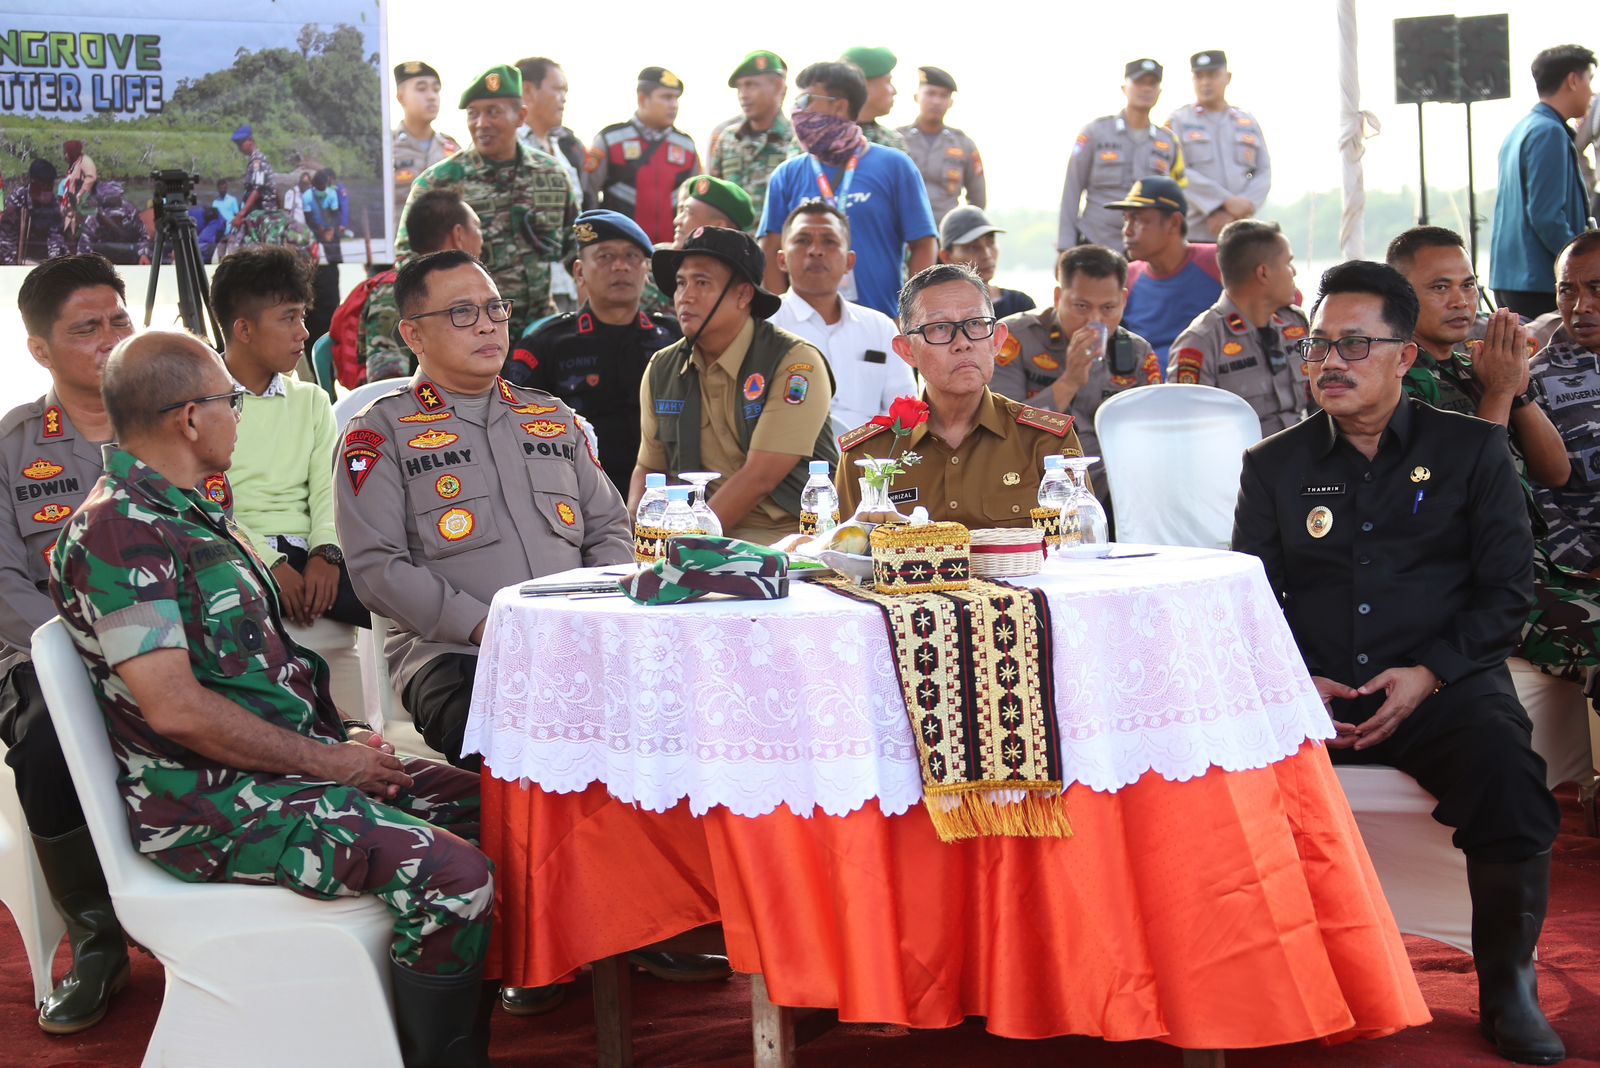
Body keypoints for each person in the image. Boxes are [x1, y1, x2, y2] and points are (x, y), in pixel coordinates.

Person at [51, 330, 496, 1067]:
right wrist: (332, 764)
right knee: (454, 876)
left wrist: (346, 739)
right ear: (188, 418)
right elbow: (177, 709)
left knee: (501, 810)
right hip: (208, 808)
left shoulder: (193, 510)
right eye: (231, 401)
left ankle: (406, 1022)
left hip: (282, 773)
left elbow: (261, 675)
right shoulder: (118, 532)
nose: (241, 415)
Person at [1232, 259, 1566, 1066]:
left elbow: (1505, 593)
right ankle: (1261, 979)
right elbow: (1249, 600)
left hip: (1441, 683)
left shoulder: (1473, 452)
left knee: (1507, 772)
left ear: (1404, 356)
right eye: (1317, 346)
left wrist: (1431, 674)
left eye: (1353, 344)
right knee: (1211, 773)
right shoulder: (1273, 465)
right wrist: (1292, 682)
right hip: (1311, 688)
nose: (1330, 363)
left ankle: (1506, 985)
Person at [336, 249, 634, 768]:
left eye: (495, 309)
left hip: (582, 642)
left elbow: (609, 526)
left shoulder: (550, 415)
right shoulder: (378, 431)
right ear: (413, 335)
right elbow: (376, 568)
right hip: (461, 658)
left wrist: (591, 613)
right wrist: (488, 626)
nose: (487, 326)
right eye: (461, 313)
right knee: (535, 747)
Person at [1, 256, 135, 1035]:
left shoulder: (175, 417)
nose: (110, 340)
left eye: (119, 321)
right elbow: (4, 583)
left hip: (173, 647)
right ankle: (96, 938)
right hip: (40, 655)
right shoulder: (14, 445)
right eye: (87, 329)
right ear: (41, 349)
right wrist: (84, 654)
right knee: (48, 741)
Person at [631, 226, 838, 544]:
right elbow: (648, 470)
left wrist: (687, 544)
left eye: (702, 282)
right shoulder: (663, 368)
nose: (685, 296)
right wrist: (636, 540)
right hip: (698, 544)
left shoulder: (795, 363)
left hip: (790, 543)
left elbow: (760, 478)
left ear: (743, 295)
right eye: (681, 283)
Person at [838, 263, 1083, 526]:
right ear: (907, 350)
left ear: (997, 340)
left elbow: (1078, 550)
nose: (963, 343)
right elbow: (842, 556)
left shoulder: (1044, 442)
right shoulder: (867, 457)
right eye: (940, 328)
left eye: (976, 324)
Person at [210, 246, 369, 632]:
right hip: (235, 556)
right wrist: (270, 563)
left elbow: (328, 491)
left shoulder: (311, 400)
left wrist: (326, 554)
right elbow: (206, 503)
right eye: (288, 318)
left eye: (301, 315)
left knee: (395, 601)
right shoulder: (201, 403)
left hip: (311, 553)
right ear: (244, 329)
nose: (304, 331)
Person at [507, 210, 681, 495]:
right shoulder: (547, 345)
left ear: (645, 270)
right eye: (605, 257)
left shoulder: (673, 340)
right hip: (576, 495)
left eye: (632, 257)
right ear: (579, 272)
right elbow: (518, 433)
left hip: (663, 498)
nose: (621, 267)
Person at [397, 64, 577, 340]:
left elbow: (575, 251)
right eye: (473, 114)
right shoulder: (438, 182)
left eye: (493, 112)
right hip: (470, 335)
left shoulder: (551, 174)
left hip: (540, 334)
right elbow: (407, 263)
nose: (481, 124)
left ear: (521, 116)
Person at [1386, 226, 1572, 490]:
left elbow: (1556, 474)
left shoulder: (1477, 368)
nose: (1460, 301)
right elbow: (1467, 483)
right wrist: (1498, 391)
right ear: (1399, 297)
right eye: (1440, 287)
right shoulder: (1393, 381)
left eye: (1468, 285)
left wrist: (1518, 393)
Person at [758, 61, 938, 319]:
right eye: (796, 102)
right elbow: (770, 249)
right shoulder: (786, 176)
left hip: (883, 322)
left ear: (840, 105)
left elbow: (923, 244)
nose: (797, 111)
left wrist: (910, 316)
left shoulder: (895, 166)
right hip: (804, 330)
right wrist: (782, 317)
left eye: (806, 100)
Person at [991, 244, 1160, 508]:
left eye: (1108, 308)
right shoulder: (1015, 339)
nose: (1094, 320)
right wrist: (1068, 382)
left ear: (1123, 301)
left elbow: (1151, 437)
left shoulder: (1137, 353)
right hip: (1035, 481)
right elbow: (1003, 429)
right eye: (1081, 306)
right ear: (1058, 297)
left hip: (1114, 490)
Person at [768, 202, 914, 438]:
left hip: (870, 465)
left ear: (849, 262)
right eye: (803, 240)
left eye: (829, 241)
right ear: (782, 260)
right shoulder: (765, 326)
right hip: (788, 466)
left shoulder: (881, 328)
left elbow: (903, 414)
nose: (816, 250)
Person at [1169, 219, 1308, 435]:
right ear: (1264, 273)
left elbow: (1325, 406)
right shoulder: (1201, 342)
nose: (1294, 272)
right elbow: (1187, 430)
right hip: (1242, 464)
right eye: (1288, 263)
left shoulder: (1296, 324)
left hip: (1304, 455)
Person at [1489, 45, 1595, 318]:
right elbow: (1546, 215)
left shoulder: (1521, 129)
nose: (1591, 92)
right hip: (1539, 281)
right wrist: (1583, 267)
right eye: (1589, 80)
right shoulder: (1549, 132)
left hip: (1513, 278)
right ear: (1573, 80)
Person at [355, 189, 484, 384]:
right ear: (459, 235)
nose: (482, 239)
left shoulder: (464, 288)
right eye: (477, 227)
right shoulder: (394, 293)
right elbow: (386, 382)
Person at [1058, 59, 1186, 253]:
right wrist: (1065, 247)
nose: (1146, 89)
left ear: (1159, 91)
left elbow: (1177, 197)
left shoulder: (1168, 142)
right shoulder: (1095, 133)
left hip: (1145, 250)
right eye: (1139, 82)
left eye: (1152, 83)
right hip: (1096, 241)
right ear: (1124, 88)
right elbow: (1072, 189)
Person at [1529, 231, 1600, 572]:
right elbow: (1533, 497)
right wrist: (1588, 566)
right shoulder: (1533, 382)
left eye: (1596, 288)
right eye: (1567, 290)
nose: (1580, 306)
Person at [585, 67, 701, 246]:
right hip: (621, 252)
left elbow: (696, 203)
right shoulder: (609, 139)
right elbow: (588, 195)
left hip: (671, 253)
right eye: (666, 97)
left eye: (676, 98)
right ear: (642, 99)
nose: (674, 105)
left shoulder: (686, 146)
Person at [1110, 176, 1221, 363]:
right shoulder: (1127, 277)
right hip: (1147, 387)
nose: (1127, 231)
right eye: (1126, 219)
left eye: (1137, 220)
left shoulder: (1218, 262)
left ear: (1174, 223)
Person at [1165, 51, 1271, 238]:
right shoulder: (1178, 121)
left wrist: (1238, 210)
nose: (1205, 82)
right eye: (1199, 76)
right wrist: (1223, 202)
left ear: (1227, 77)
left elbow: (1263, 171)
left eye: (1212, 75)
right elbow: (1175, 169)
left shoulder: (1247, 122)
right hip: (1196, 231)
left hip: (1241, 229)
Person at [516, 56, 589, 314]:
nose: (564, 98)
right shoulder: (510, 150)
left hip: (566, 285)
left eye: (565, 91)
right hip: (526, 296)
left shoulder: (561, 148)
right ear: (527, 91)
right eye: (557, 89)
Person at [707, 50, 795, 229]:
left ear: (778, 87)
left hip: (774, 249)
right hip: (730, 250)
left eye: (751, 85)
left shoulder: (795, 141)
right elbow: (712, 202)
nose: (743, 95)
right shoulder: (727, 138)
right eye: (740, 87)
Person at [897, 65, 985, 222]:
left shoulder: (963, 145)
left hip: (944, 233)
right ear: (917, 97)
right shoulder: (896, 140)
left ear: (950, 102)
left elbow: (978, 200)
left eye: (943, 96)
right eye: (930, 94)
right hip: (902, 230)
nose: (936, 101)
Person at [392, 60, 463, 238]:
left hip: (444, 255)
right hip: (399, 256)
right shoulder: (386, 149)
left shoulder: (452, 150)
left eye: (436, 90)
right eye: (421, 89)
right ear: (401, 97)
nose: (432, 96)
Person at [937, 205, 1034, 319]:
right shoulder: (938, 313)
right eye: (973, 247)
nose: (987, 255)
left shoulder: (1020, 305)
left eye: (991, 243)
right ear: (946, 256)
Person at [0, 159, 68, 265]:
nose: (47, 189)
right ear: (32, 182)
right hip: (16, 256)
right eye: (43, 185)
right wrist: (16, 267)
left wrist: (52, 264)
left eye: (50, 185)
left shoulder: (53, 204)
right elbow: (6, 241)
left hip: (41, 257)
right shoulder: (16, 202)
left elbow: (55, 237)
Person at [840, 46, 906, 150]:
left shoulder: (892, 141)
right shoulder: (817, 139)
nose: (894, 91)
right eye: (888, 82)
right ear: (863, 85)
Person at [75, 180, 151, 265]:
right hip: (103, 262)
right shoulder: (92, 221)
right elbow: (83, 250)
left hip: (130, 258)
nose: (115, 220)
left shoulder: (131, 212)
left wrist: (143, 254)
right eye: (112, 218)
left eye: (119, 218)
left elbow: (144, 236)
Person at [302, 169, 343, 264]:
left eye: (323, 187)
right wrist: (319, 229)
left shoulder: (332, 194)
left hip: (330, 228)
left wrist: (331, 230)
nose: (322, 189)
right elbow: (308, 218)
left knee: (335, 257)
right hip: (315, 229)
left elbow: (335, 215)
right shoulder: (307, 196)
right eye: (320, 188)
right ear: (314, 186)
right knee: (312, 258)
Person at [60, 140, 97, 239]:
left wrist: (80, 194)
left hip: (81, 206)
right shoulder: (74, 163)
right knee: (68, 232)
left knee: (78, 233)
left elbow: (91, 177)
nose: (65, 155)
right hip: (70, 206)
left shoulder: (85, 161)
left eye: (66, 152)